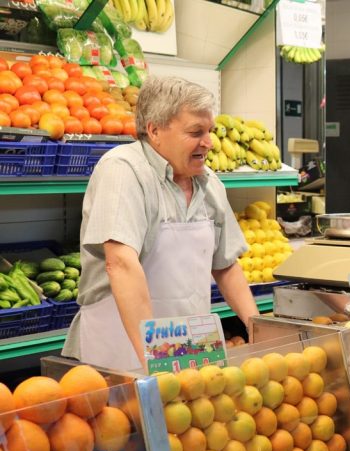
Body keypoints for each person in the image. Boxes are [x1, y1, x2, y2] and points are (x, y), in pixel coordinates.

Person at [62, 76, 258, 371]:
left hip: (190, 346)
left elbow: (225, 264)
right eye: (195, 132)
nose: (208, 142)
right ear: (154, 130)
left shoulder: (209, 183)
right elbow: (121, 263)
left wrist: (258, 328)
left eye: (210, 131)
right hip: (125, 348)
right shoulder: (123, 171)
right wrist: (156, 360)